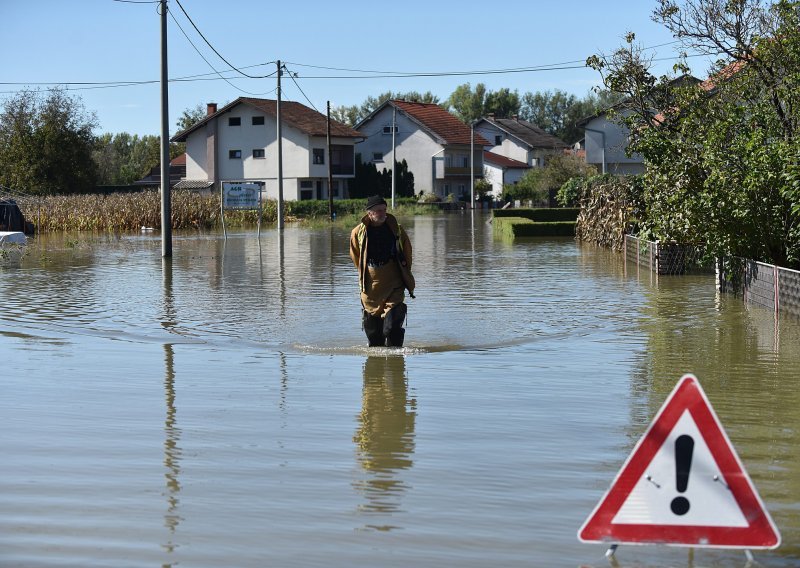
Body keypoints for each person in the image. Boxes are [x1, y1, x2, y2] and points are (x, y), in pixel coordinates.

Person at [350, 195, 415, 347]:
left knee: (392, 326)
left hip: (394, 281)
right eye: (378, 211)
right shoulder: (357, 232)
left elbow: (407, 252)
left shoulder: (396, 229)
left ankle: (395, 363)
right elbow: (356, 257)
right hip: (370, 286)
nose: (382, 214)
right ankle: (375, 365)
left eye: (384, 210)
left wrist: (405, 274)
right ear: (369, 213)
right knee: (374, 335)